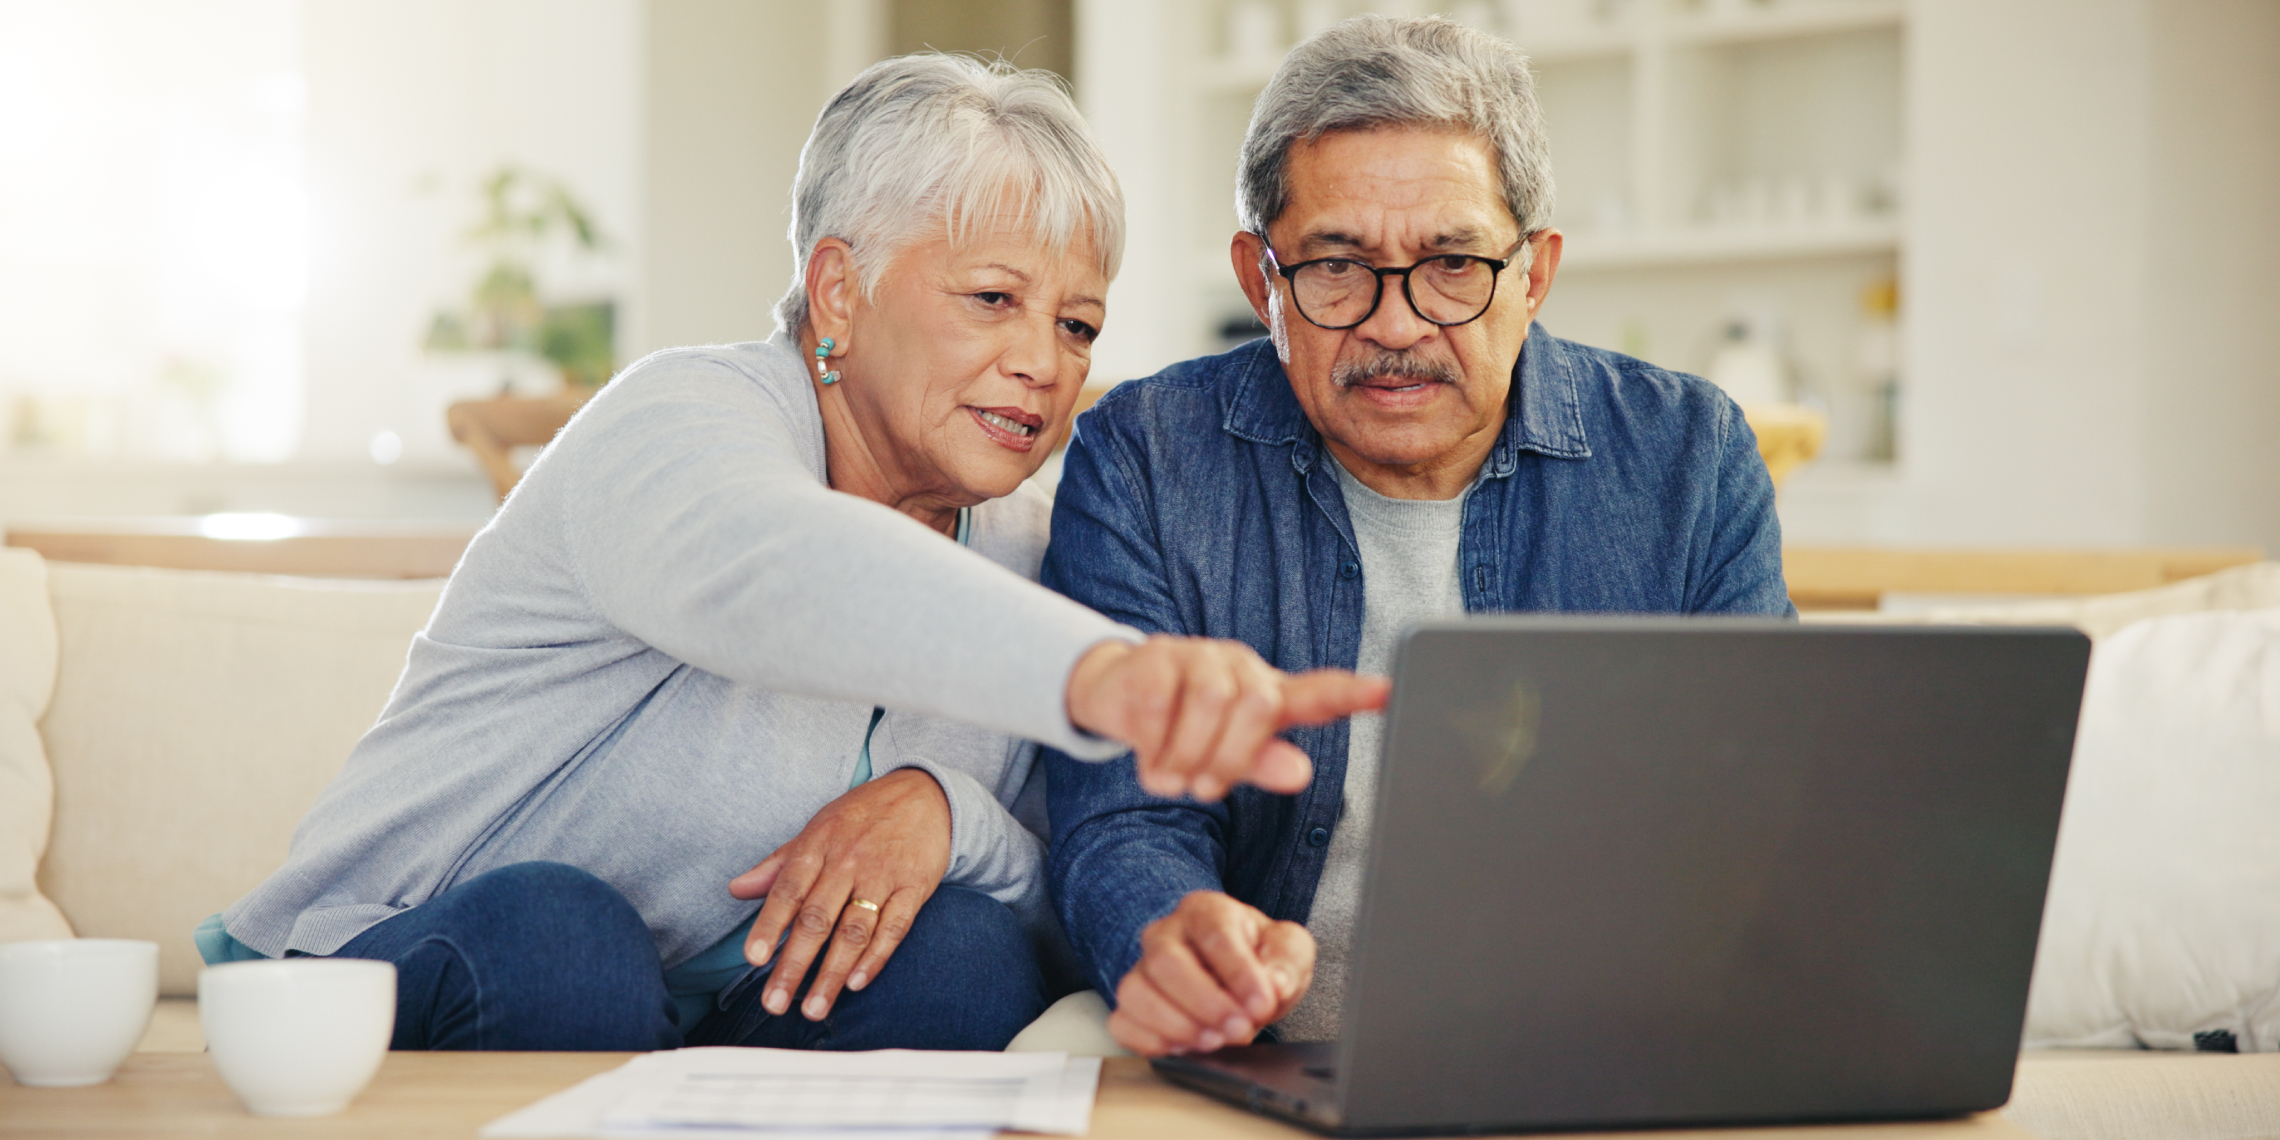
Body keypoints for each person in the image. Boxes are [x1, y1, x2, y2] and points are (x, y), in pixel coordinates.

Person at [198, 54, 1385, 1054]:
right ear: (837, 290)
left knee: (967, 955)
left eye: (1077, 324)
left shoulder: (1029, 545)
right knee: (568, 936)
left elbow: (1060, 875)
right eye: (992, 298)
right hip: (389, 971)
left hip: (714, 1016)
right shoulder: (679, 424)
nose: (1045, 359)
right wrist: (1105, 675)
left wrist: (943, 810)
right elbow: (778, 570)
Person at [1044, 15, 1794, 1057]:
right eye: (1337, 268)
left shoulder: (1687, 456)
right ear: (1262, 281)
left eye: (1450, 264)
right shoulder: (1145, 457)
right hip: (1264, 1058)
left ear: (1533, 273)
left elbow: (1755, 809)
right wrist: (1171, 933)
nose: (1396, 326)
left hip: (1601, 1056)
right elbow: (1121, 818)